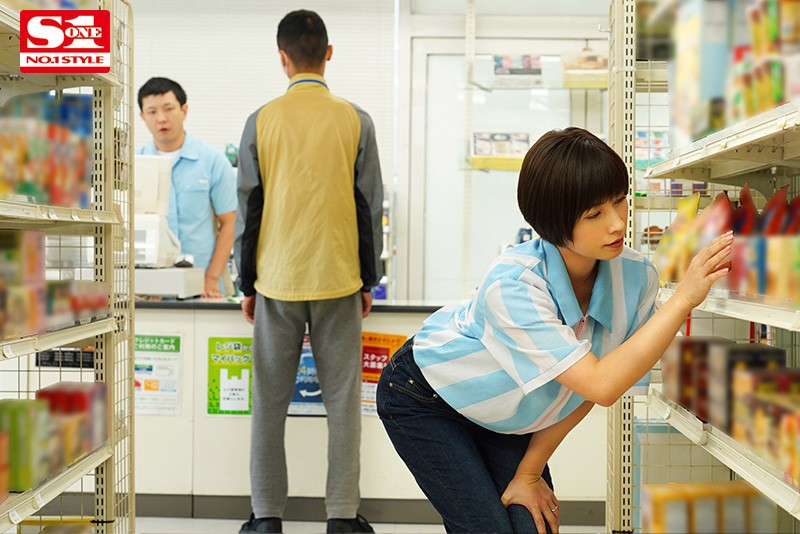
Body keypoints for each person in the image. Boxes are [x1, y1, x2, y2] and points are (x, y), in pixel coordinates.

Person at [376, 127, 732, 534]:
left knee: (533, 527)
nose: (617, 223)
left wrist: (529, 474)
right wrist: (684, 299)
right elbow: (600, 384)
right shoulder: (513, 285)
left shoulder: (636, 279)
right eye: (594, 214)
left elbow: (588, 388)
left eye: (620, 201)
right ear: (551, 225)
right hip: (425, 395)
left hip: (507, 410)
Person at [233, 9, 383, 534]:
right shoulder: (355, 119)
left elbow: (251, 207)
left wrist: (244, 283)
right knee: (342, 403)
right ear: (329, 53)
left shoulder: (261, 120)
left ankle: (266, 516)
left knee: (268, 404)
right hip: (339, 279)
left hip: (276, 279)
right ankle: (342, 517)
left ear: (282, 57)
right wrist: (368, 278)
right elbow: (368, 205)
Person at [137, 77, 237, 297]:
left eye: (169, 109)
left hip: (205, 286)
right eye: (152, 112)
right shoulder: (135, 165)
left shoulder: (212, 161)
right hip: (151, 290)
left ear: (184, 110)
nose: (161, 118)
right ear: (142, 116)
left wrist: (211, 278)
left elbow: (230, 223)